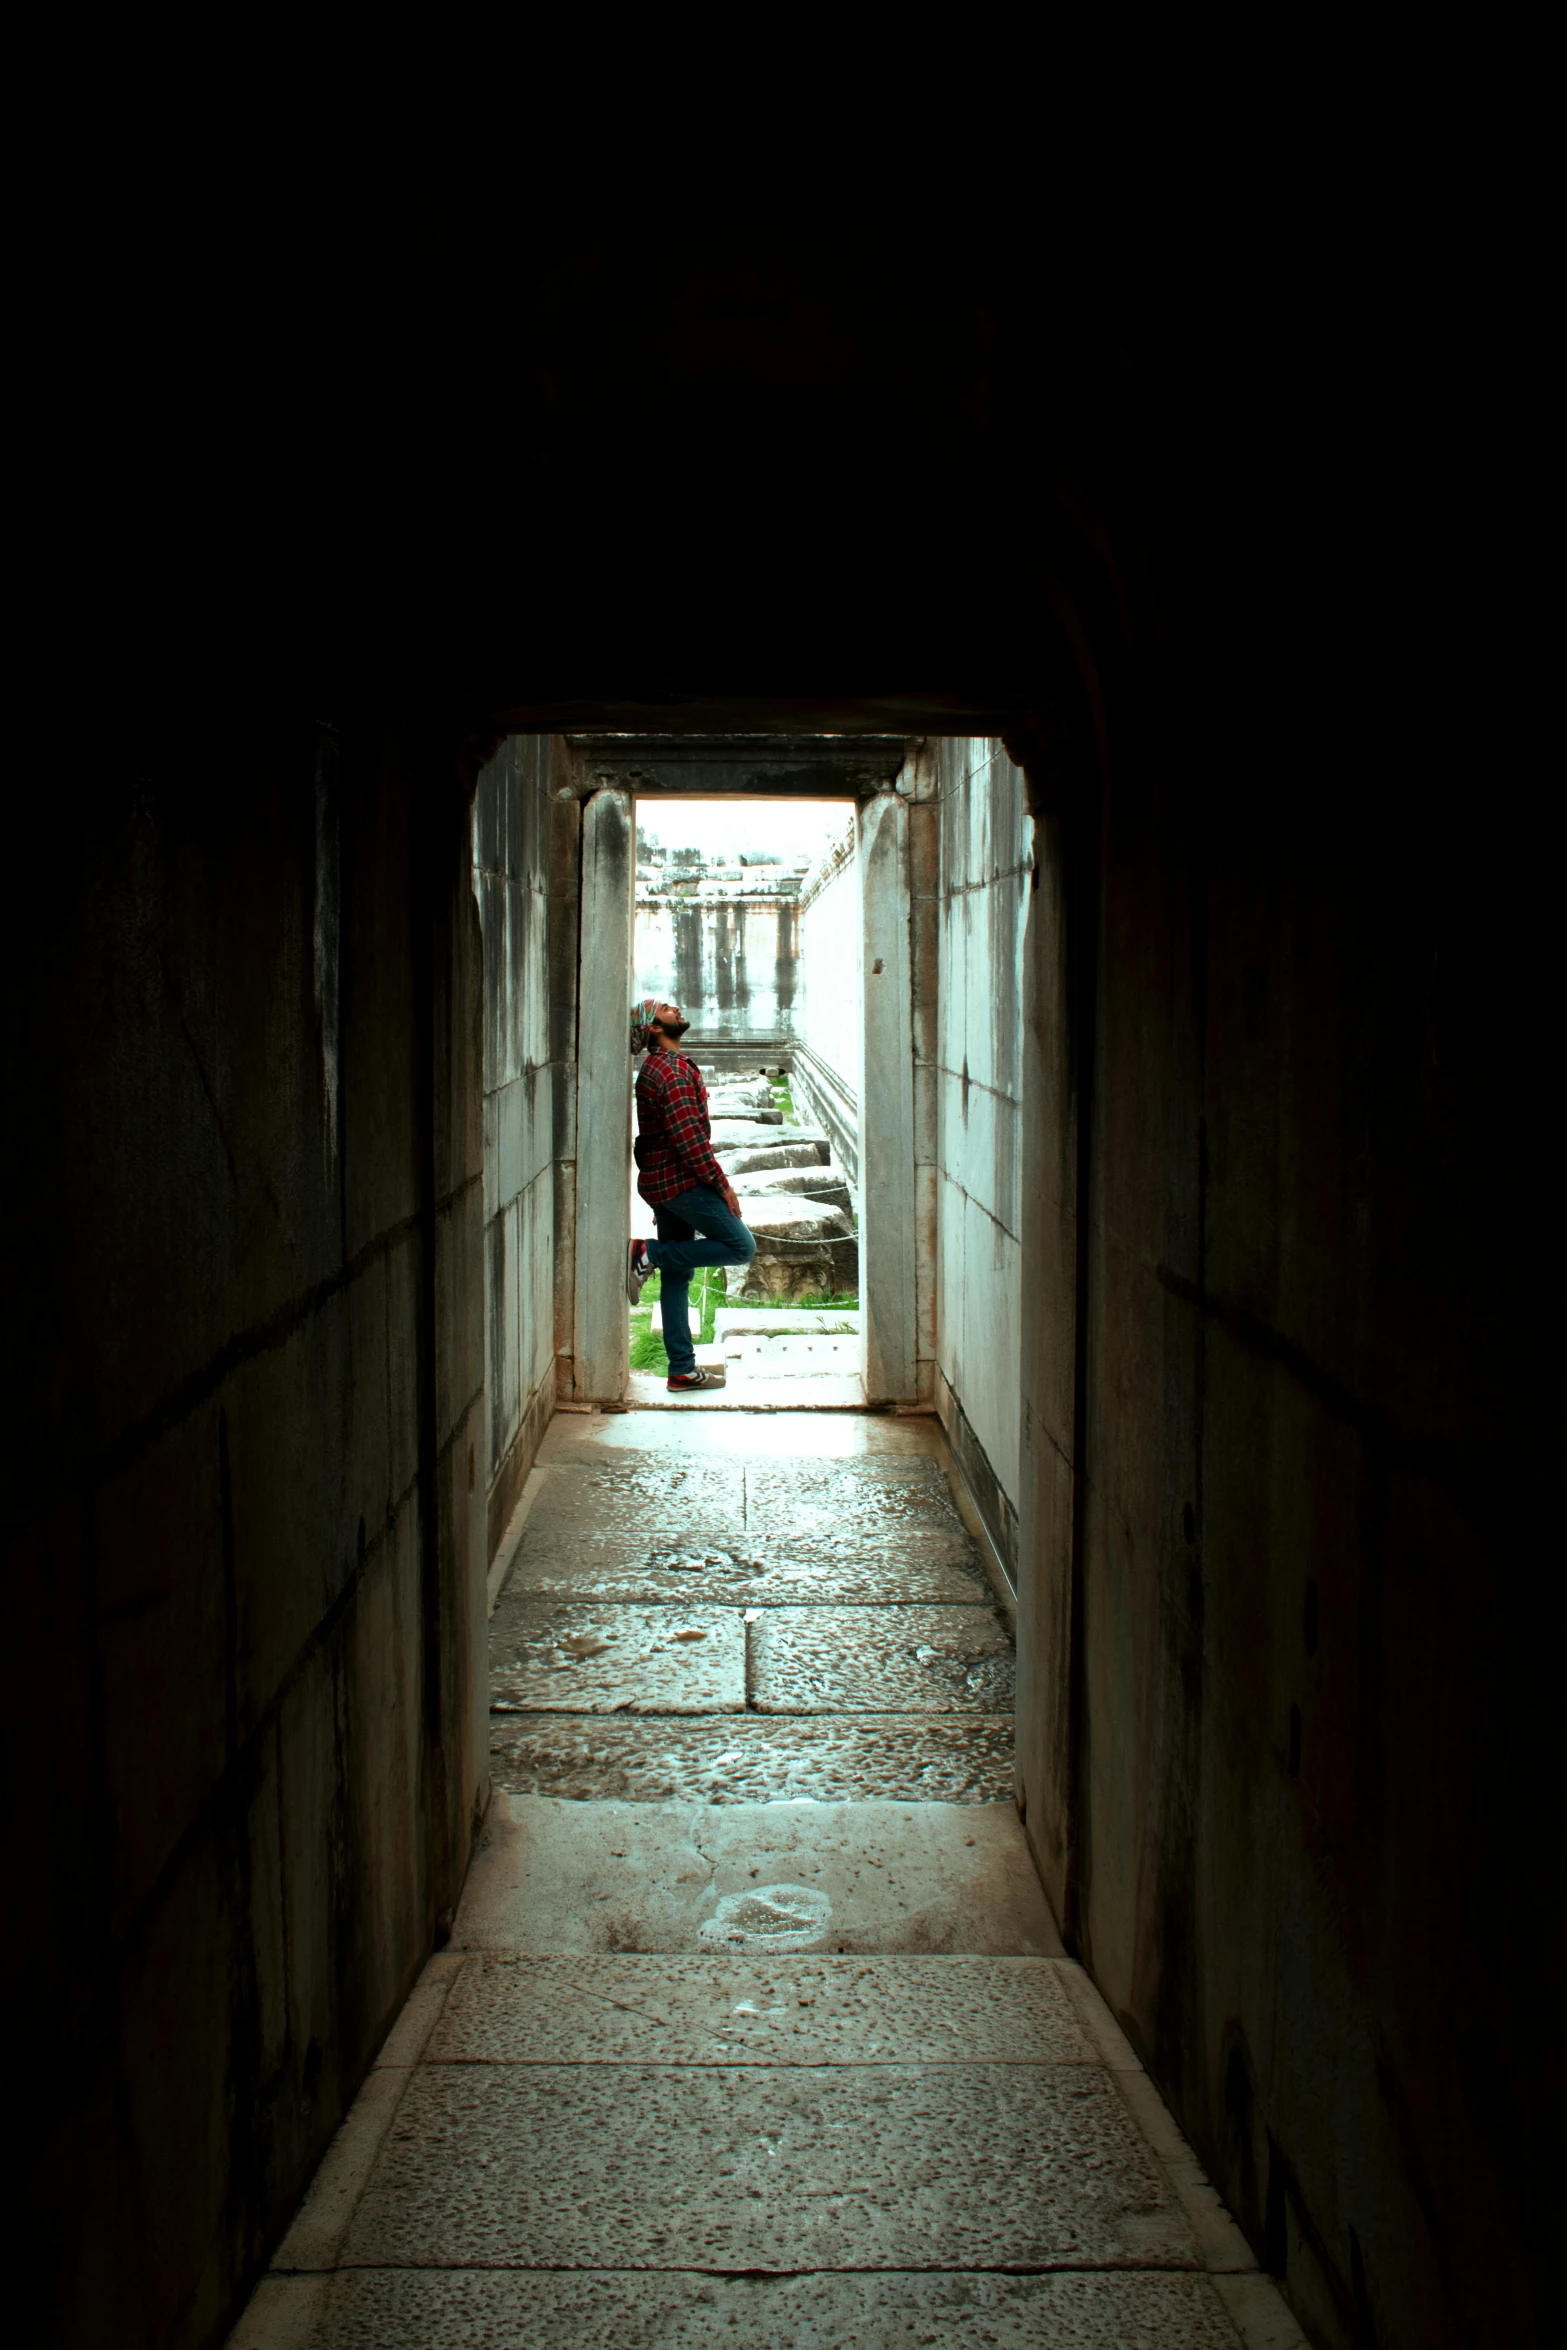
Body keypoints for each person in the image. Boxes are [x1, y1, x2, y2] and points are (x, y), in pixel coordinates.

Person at [626, 997, 756, 1390]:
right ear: (652, 1027)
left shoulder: (659, 1066)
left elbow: (652, 1141)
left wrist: (659, 1194)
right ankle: (648, 1253)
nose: (676, 1009)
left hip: (666, 1183)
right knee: (740, 1247)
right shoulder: (670, 1070)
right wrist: (724, 1186)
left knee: (678, 1277)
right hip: (682, 1182)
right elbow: (691, 1142)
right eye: (665, 1008)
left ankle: (681, 1369)